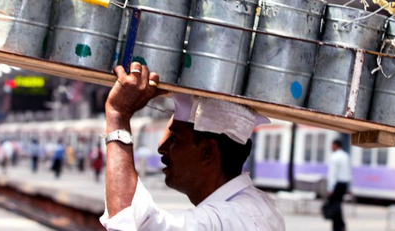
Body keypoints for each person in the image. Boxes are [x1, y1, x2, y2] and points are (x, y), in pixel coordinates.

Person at [100, 62, 285, 231]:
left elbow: (131, 222)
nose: (161, 148)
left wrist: (119, 116)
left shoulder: (227, 219)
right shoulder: (260, 207)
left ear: (207, 151)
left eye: (175, 138)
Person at [325, 139, 352, 231]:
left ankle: (339, 225)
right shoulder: (346, 156)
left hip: (336, 184)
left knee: (335, 206)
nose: (331, 147)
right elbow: (349, 172)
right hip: (344, 184)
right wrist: (349, 187)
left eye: (332, 145)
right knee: (338, 205)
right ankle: (339, 225)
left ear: (336, 145)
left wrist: (330, 188)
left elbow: (332, 174)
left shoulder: (334, 157)